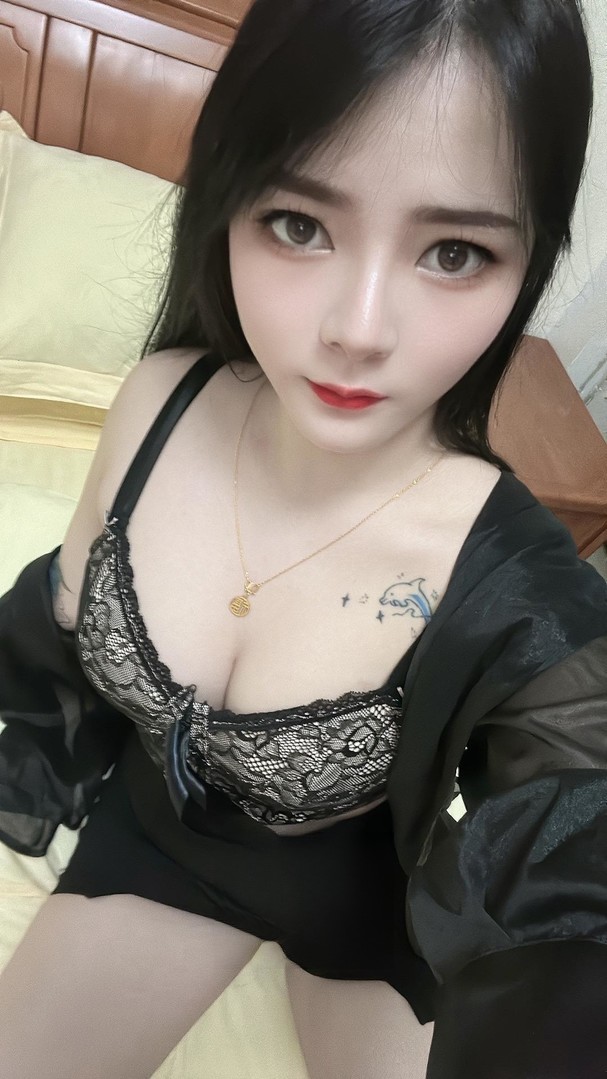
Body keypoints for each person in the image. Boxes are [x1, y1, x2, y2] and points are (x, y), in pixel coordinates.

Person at [1, 0, 607, 1076]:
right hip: (156, 842)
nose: (356, 329)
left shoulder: (514, 584)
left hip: (363, 909)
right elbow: (54, 633)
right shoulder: (158, 399)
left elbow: (573, 870)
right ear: (227, 198)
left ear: (527, 264)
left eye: (454, 251)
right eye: (296, 223)